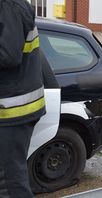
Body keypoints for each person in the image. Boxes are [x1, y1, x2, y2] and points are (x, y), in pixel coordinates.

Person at [0, 0, 46, 196]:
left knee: (8, 183)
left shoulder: (8, 6)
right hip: (12, 105)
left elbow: (8, 55)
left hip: (13, 109)